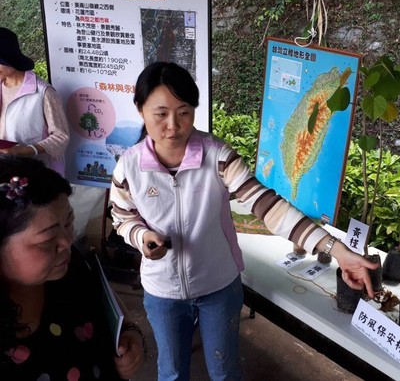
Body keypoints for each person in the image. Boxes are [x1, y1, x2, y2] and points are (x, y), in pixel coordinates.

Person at [110, 61, 379, 381]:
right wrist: (142, 237)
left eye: (184, 112)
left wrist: (338, 250)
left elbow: (268, 206)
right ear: (141, 110)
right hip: (162, 290)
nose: (173, 125)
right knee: (171, 373)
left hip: (218, 286)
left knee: (225, 372)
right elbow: (122, 217)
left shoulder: (218, 157)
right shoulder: (128, 168)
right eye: (161, 113)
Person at [0, 156, 144, 380]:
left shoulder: (73, 263)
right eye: (47, 240)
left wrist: (129, 335)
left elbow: (110, 308)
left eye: (69, 222)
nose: (67, 242)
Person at [0, 27, 69, 176]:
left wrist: (26, 150)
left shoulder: (43, 92)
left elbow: (61, 137)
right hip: (4, 173)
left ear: (9, 59)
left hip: (37, 175)